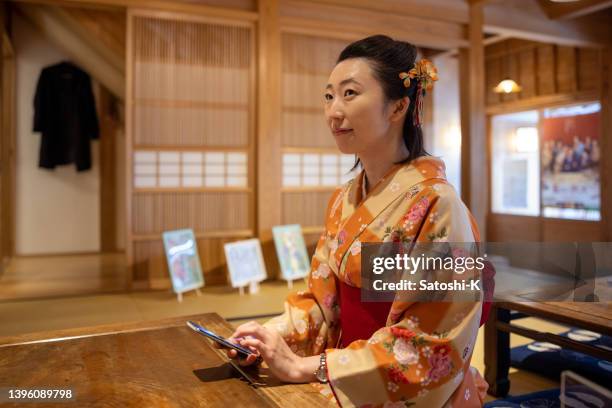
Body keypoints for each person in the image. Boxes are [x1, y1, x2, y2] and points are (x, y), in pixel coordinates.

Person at [216, 35, 488, 407]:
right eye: (329, 96)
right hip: (344, 371)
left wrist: (305, 367)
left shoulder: (437, 204)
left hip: (395, 389)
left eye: (350, 93)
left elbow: (428, 346)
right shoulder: (344, 198)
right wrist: (269, 337)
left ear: (398, 108)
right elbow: (320, 300)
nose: (333, 111)